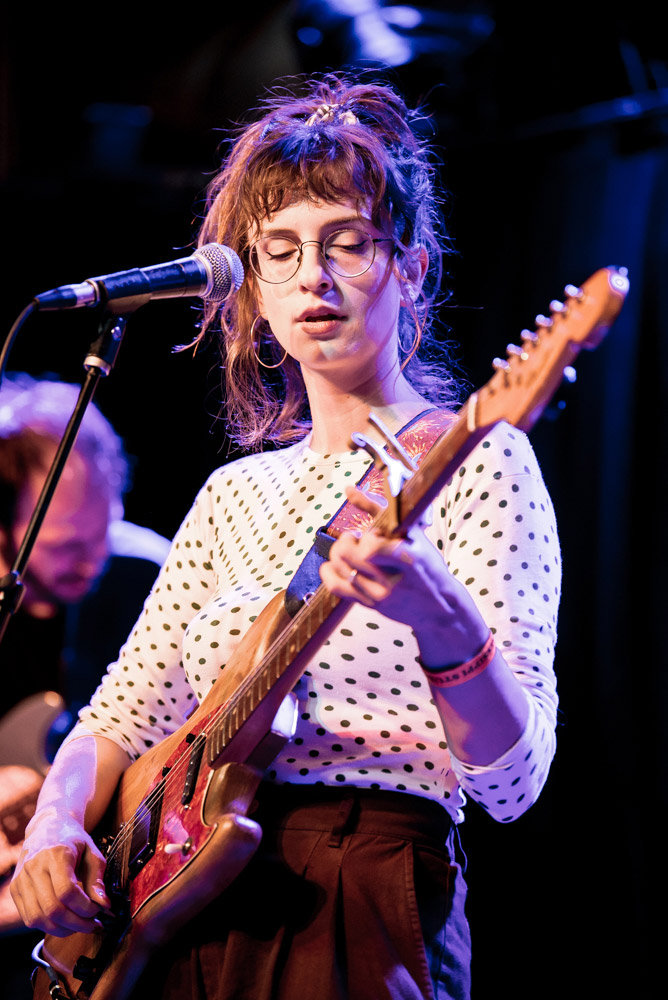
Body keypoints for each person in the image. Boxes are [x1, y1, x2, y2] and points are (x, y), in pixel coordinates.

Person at [10, 75, 560, 1000]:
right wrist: (57, 823)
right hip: (176, 910)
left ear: (411, 267)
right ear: (253, 287)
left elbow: (514, 784)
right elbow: (119, 717)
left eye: (347, 242)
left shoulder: (480, 458)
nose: (314, 275)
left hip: (360, 898)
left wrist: (444, 624)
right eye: (280, 250)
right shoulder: (232, 494)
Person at [0, 374, 169, 973]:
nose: (94, 558)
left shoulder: (147, 574)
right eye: (68, 545)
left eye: (103, 532)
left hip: (109, 906)